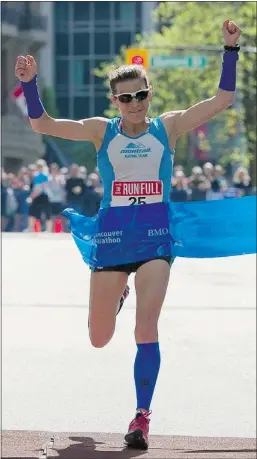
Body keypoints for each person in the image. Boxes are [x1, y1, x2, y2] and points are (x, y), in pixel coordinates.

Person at [15, 19, 241, 450]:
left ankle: (141, 417)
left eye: (141, 95)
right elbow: (43, 124)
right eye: (126, 97)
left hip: (156, 235)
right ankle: (113, 296)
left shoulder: (168, 127)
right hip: (114, 237)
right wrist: (31, 84)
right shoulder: (102, 130)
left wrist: (230, 49)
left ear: (149, 96)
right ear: (115, 100)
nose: (135, 103)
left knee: (147, 326)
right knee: (99, 337)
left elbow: (222, 99)